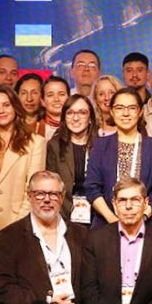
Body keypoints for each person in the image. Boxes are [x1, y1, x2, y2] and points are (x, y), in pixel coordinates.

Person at [0, 170, 87, 304]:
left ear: (62, 197)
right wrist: (47, 302)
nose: (47, 200)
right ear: (29, 196)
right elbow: (1, 288)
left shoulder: (81, 235)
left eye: (53, 194)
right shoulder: (9, 237)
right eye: (40, 194)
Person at [86, 88, 152, 227]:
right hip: (106, 224)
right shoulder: (100, 146)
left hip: (147, 224)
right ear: (112, 112)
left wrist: (143, 216)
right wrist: (113, 220)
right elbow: (91, 187)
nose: (126, 113)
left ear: (140, 112)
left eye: (132, 108)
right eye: (119, 108)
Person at [0, 86, 45, 228]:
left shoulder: (35, 143)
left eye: (6, 105)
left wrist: (18, 224)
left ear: (15, 108)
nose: (1, 111)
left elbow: (33, 189)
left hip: (14, 221)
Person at [45, 94, 98, 225]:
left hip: (97, 214)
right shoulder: (55, 146)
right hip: (64, 214)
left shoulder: (101, 145)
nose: (75, 118)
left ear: (90, 118)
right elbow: (51, 186)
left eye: (82, 112)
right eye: (70, 113)